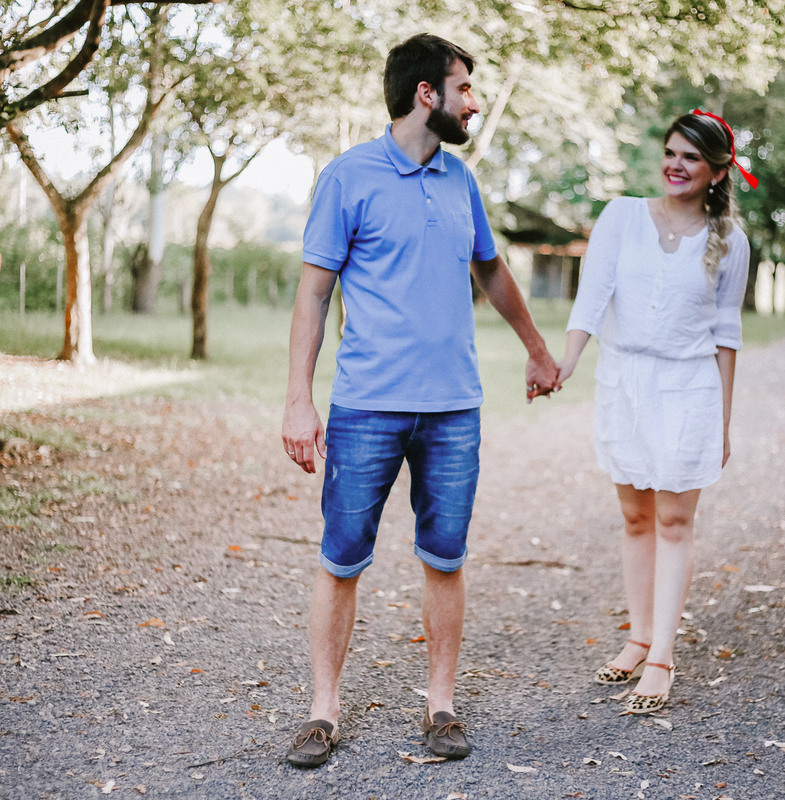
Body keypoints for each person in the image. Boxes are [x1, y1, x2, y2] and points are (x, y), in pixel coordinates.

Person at [280, 33, 561, 767]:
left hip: (453, 410)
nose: (473, 101)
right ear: (426, 94)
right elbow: (314, 293)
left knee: (445, 556)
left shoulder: (460, 180)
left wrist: (536, 348)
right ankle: (322, 712)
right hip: (368, 404)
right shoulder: (349, 176)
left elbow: (493, 273)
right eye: (464, 87)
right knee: (342, 559)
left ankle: (441, 707)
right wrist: (298, 402)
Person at [557, 111, 755, 714]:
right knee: (634, 517)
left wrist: (721, 421)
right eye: (671, 152)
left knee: (673, 521)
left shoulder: (731, 242)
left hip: (688, 388)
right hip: (625, 380)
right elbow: (592, 297)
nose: (675, 164)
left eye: (691, 157)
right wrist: (563, 365)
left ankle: (663, 656)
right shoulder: (620, 217)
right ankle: (638, 636)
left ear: (718, 171)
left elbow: (726, 334)